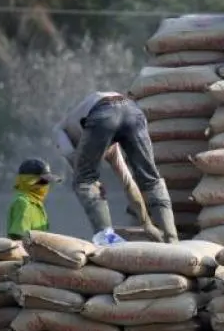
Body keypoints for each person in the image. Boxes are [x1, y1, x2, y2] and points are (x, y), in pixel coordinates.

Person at [55, 91, 177, 243]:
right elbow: (129, 185)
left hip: (103, 112)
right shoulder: (110, 146)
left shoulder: (62, 131)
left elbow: (78, 168)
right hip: (132, 111)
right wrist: (147, 224)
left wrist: (147, 224)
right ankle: (172, 237)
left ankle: (107, 240)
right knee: (150, 178)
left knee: (84, 181)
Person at [7, 158, 60, 240]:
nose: (46, 185)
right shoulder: (23, 203)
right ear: (30, 181)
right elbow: (19, 239)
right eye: (44, 182)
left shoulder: (36, 203)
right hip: (26, 252)